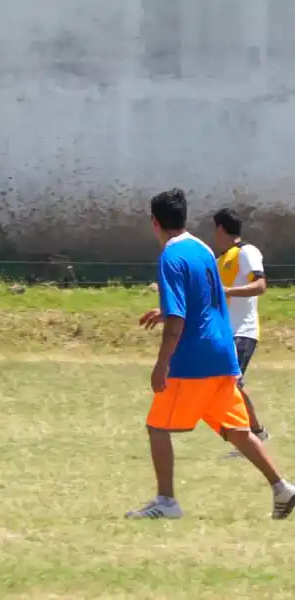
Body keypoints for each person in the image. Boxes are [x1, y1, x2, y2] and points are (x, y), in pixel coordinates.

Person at [129, 188, 295, 519]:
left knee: (157, 427)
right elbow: (208, 298)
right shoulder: (203, 249)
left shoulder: (171, 256)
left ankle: (166, 502)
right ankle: (283, 488)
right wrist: (165, 312)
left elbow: (179, 319)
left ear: (154, 222)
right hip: (223, 353)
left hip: (194, 359)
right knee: (238, 430)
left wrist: (162, 365)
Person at [212, 208, 270, 456]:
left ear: (221, 229)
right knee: (232, 383)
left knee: (229, 383)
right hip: (225, 333)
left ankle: (249, 437)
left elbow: (260, 284)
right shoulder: (218, 260)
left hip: (243, 332)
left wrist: (228, 291)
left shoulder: (247, 252)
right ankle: (256, 433)